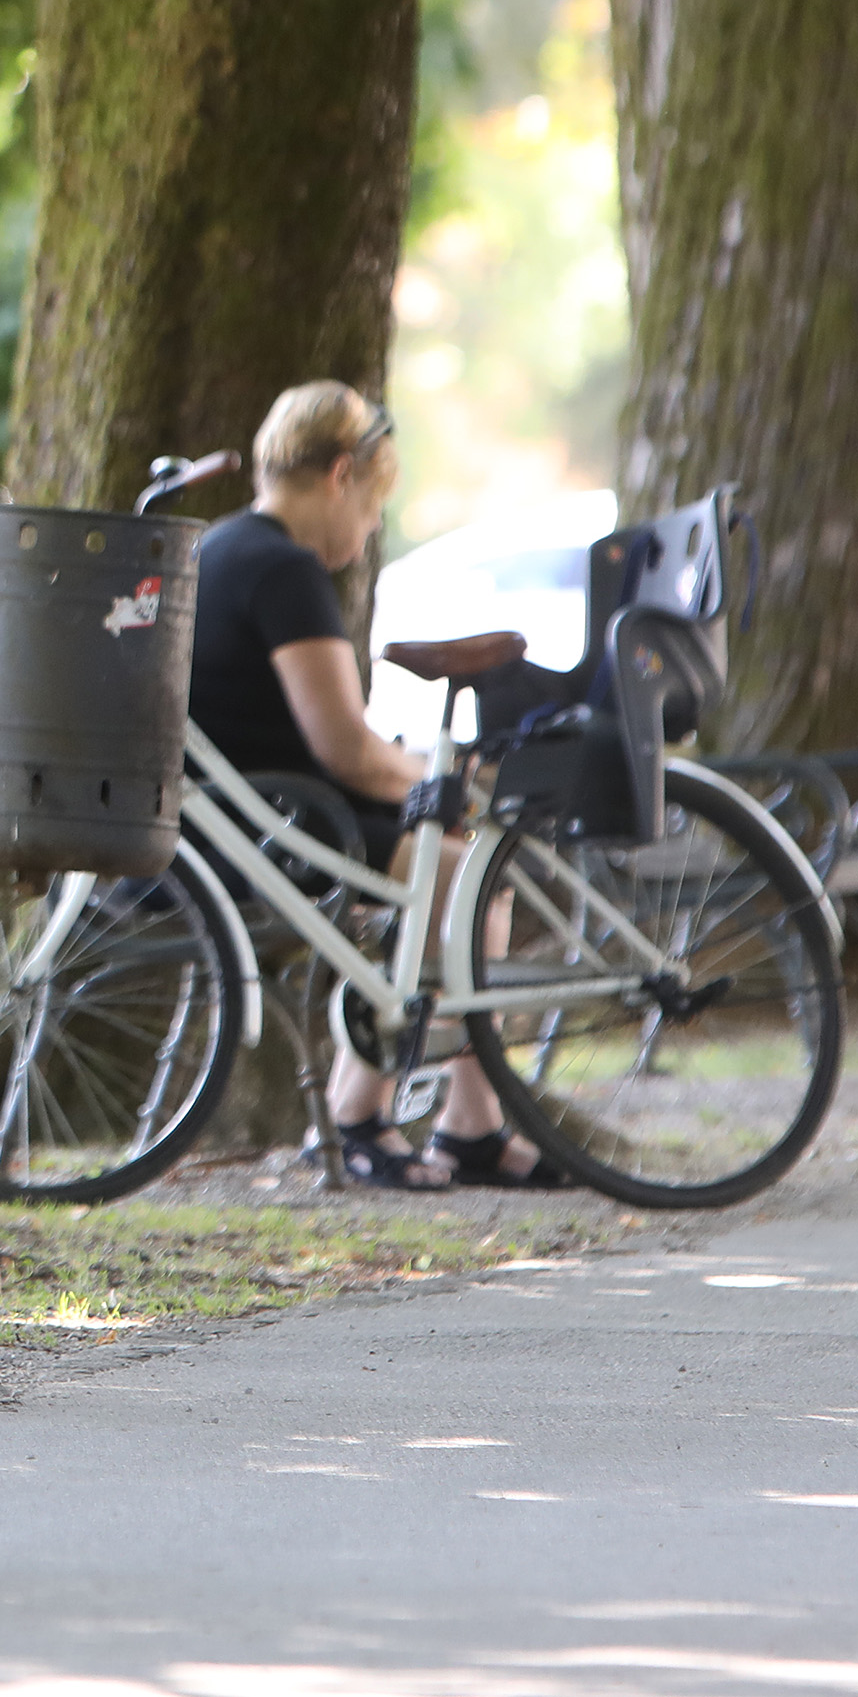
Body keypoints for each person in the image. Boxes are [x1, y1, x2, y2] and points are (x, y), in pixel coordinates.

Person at [186, 381, 564, 1192]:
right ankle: (372, 1114)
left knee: (460, 871)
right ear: (338, 475)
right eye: (371, 504)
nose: (370, 527)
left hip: (239, 816)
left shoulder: (218, 548)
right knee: (468, 877)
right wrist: (437, 777)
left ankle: (470, 1122)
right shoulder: (282, 570)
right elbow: (347, 751)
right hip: (285, 826)